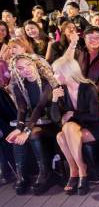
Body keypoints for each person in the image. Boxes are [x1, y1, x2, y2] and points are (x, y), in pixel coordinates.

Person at [50, 56, 99, 196]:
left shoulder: (88, 88)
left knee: (67, 129)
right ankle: (76, 169)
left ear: (67, 72)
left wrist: (73, 114)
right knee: (60, 136)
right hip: (74, 129)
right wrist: (54, 101)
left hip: (93, 127)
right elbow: (56, 119)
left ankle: (79, 170)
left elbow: (95, 116)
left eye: (56, 72)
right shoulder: (61, 90)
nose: (54, 76)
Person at [6, 54, 58, 195]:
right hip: (35, 122)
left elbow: (39, 107)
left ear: (34, 64)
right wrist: (19, 129)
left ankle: (45, 173)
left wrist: (26, 131)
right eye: (21, 68)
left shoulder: (46, 82)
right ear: (17, 71)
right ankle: (22, 176)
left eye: (28, 65)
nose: (26, 70)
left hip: (52, 122)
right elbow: (22, 110)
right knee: (16, 137)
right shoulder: (19, 86)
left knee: (33, 134)